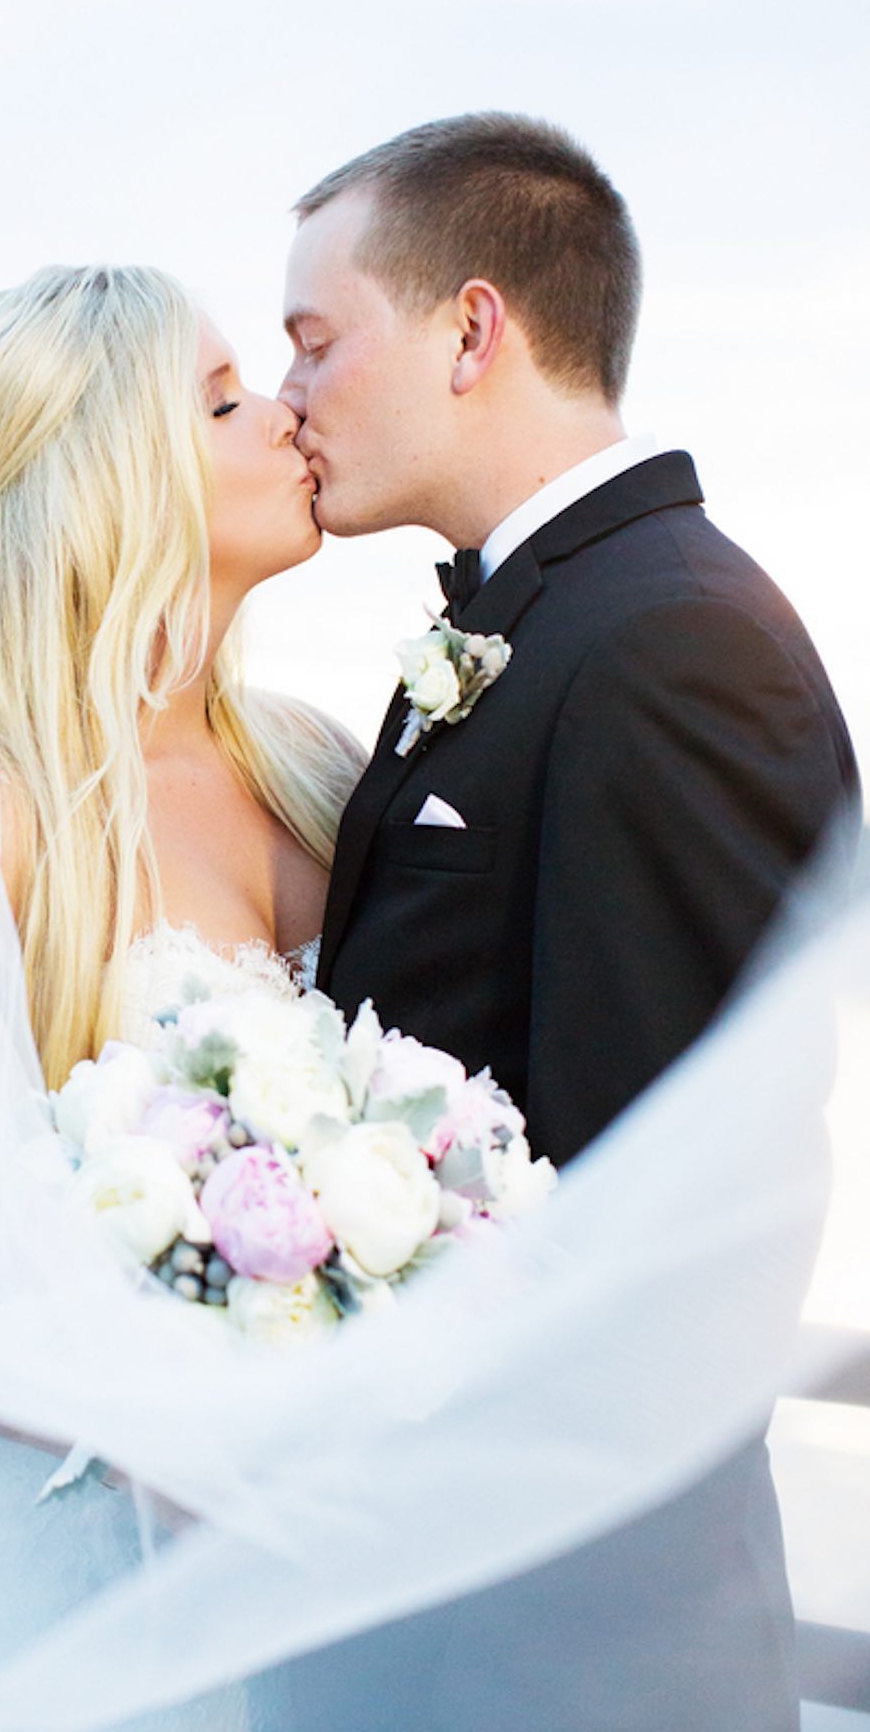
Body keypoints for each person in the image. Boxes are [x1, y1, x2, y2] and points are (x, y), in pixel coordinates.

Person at [0, 255, 856, 1732]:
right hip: (75, 1565)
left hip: (349, 1584)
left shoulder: (318, 765)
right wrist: (154, 1423)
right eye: (220, 400)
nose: (284, 416)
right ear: (106, 477)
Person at [268, 112, 861, 1730]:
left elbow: (673, 1233)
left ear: (472, 328)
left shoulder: (677, 642)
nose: (293, 396)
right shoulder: (536, 617)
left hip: (557, 1652)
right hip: (420, 1608)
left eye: (317, 341)